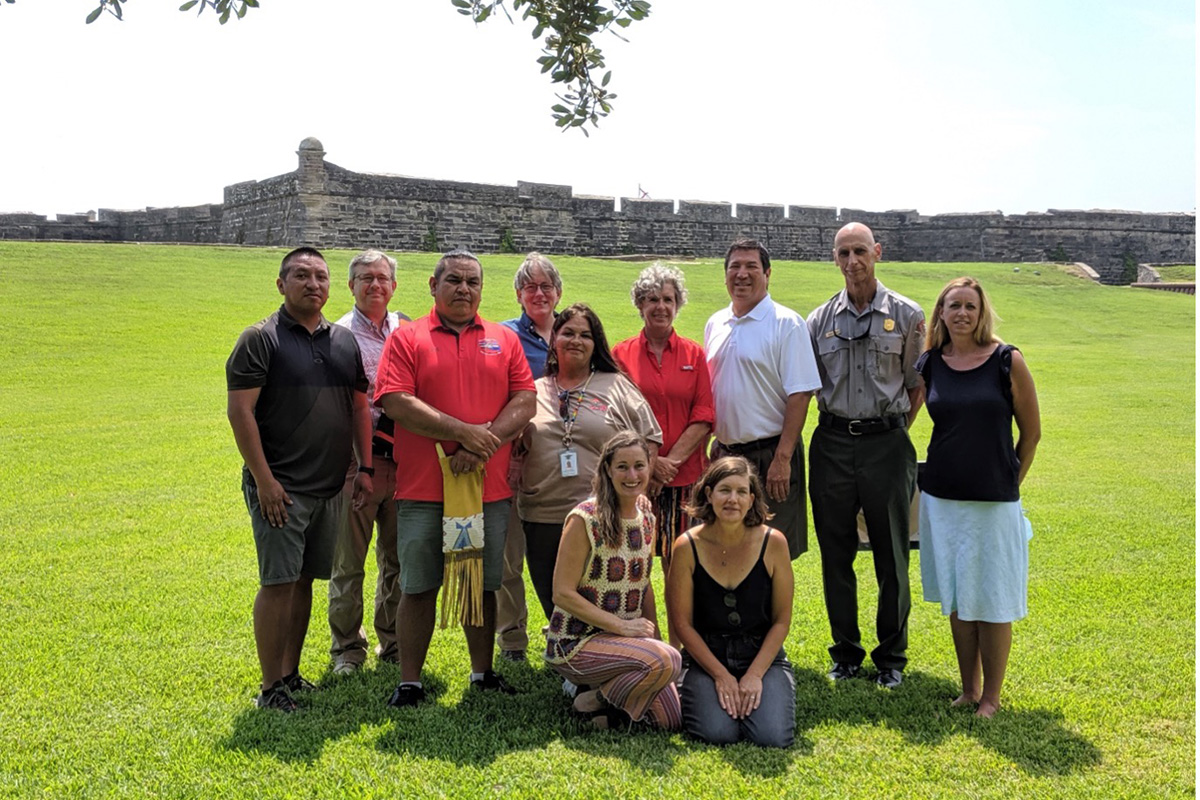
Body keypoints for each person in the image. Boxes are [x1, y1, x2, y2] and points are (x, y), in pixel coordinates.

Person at [374, 249, 536, 707]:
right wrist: (464, 433)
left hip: (488, 488)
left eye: (472, 282)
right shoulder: (408, 338)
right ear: (433, 285)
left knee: (481, 583)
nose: (464, 289)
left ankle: (482, 673)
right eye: (454, 280)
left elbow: (525, 400)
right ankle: (410, 681)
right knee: (419, 583)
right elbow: (396, 400)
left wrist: (481, 443)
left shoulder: (504, 339)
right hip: (425, 488)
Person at [225, 246, 373, 712]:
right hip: (281, 488)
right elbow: (240, 412)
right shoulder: (260, 339)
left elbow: (357, 407)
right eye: (301, 275)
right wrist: (264, 481)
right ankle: (270, 689)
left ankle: (289, 674)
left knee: (306, 580)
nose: (313, 284)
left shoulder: (343, 341)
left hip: (328, 487)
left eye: (321, 277)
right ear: (281, 284)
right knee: (278, 583)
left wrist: (364, 468)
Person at [806, 222, 926, 689]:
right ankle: (846, 654)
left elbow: (918, 386)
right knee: (835, 555)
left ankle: (891, 658)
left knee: (891, 555)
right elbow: (809, 383)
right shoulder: (819, 321)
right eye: (843, 253)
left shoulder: (908, 314)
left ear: (877, 252)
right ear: (834, 259)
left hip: (887, 444)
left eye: (860, 251)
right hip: (832, 443)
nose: (852, 261)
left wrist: (893, 431)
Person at [915, 277, 1040, 718]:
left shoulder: (1007, 361)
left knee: (992, 597)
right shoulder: (931, 362)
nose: (962, 313)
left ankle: (992, 697)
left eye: (970, 305)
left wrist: (1010, 481)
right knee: (958, 596)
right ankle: (968, 689)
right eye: (954, 306)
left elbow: (1032, 432)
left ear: (981, 311)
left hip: (994, 502)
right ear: (942, 313)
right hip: (942, 499)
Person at [516, 302, 662, 622]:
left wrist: (635, 493)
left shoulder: (616, 385)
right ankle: (573, 662)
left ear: (596, 344)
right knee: (558, 604)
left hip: (604, 516)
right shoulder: (533, 391)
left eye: (585, 334)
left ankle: (617, 657)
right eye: (568, 333)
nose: (576, 341)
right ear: (553, 338)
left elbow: (648, 440)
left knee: (612, 598)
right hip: (543, 513)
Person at [545, 431, 682, 731]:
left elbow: (642, 584)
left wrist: (653, 637)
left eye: (639, 466)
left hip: (627, 640)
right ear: (607, 469)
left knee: (669, 720)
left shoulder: (647, 516)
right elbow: (562, 593)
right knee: (666, 661)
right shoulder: (584, 518)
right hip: (577, 642)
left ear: (650, 466)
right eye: (622, 466)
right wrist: (621, 626)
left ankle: (600, 705)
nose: (632, 475)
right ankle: (590, 695)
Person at [704, 238, 821, 560]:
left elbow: (800, 395)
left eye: (751, 266)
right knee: (727, 549)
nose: (742, 274)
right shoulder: (715, 323)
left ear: (768, 274)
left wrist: (782, 459)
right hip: (726, 456)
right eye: (734, 267)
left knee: (771, 552)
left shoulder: (786, 323)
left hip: (772, 455)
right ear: (725, 275)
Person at [666, 457, 795, 747]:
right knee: (716, 733)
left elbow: (781, 621)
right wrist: (721, 676)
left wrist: (754, 675)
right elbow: (683, 624)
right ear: (708, 494)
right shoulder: (687, 546)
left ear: (752, 499)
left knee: (771, 737)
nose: (732, 499)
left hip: (761, 655)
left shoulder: (773, 542)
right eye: (724, 490)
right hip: (707, 656)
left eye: (741, 492)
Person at [328, 249, 411, 675]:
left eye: (382, 278)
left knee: (398, 559)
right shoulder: (337, 335)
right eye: (365, 277)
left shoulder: (408, 328)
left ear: (394, 286)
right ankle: (347, 648)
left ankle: (393, 642)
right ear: (351, 286)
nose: (375, 284)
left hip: (405, 463)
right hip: (356, 464)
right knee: (349, 561)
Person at [613, 262, 714, 571]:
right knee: (631, 564)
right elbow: (617, 417)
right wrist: (651, 465)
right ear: (640, 304)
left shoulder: (693, 354)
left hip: (686, 478)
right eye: (652, 299)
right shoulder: (620, 355)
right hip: (634, 479)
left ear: (677, 304)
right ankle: (636, 622)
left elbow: (704, 414)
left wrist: (669, 464)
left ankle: (679, 622)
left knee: (682, 565)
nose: (660, 306)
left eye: (668, 299)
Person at [495, 253, 564, 662]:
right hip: (512, 463)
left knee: (561, 555)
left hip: (561, 467)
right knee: (509, 557)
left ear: (558, 292)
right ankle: (512, 640)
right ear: (519, 294)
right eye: (530, 287)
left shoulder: (572, 332)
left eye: (546, 286)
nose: (539, 294)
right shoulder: (504, 336)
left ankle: (561, 629)